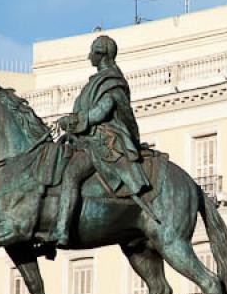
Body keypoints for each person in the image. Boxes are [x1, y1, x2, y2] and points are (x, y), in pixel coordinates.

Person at [50, 35, 153, 246]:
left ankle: (61, 230)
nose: (89, 56)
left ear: (100, 54)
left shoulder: (112, 81)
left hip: (103, 139)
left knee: (71, 174)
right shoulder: (96, 81)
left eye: (92, 52)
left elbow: (101, 111)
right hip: (85, 137)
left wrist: (75, 121)